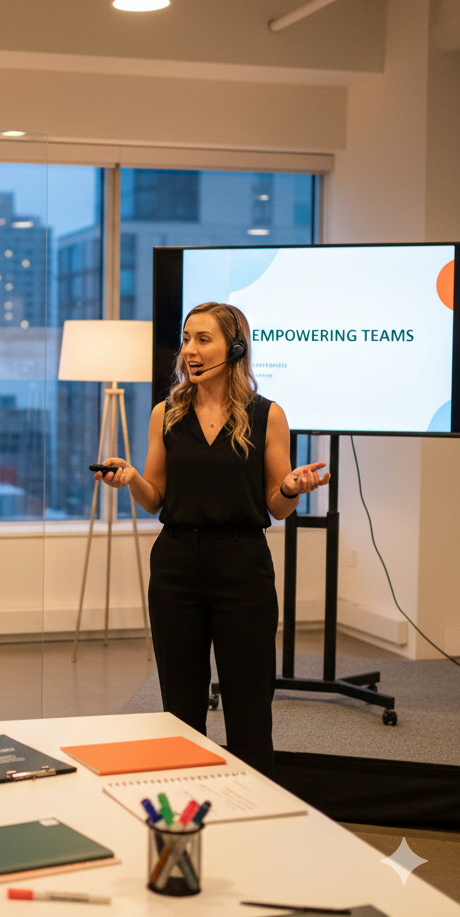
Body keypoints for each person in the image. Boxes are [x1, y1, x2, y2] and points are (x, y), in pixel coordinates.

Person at [96, 302, 329, 778]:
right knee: (179, 711)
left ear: (235, 347)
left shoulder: (268, 416)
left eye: (203, 339)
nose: (190, 351)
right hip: (176, 566)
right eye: (186, 339)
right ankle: (186, 811)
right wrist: (132, 479)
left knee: (248, 709)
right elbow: (155, 500)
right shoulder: (166, 412)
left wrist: (290, 489)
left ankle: (252, 818)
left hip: (242, 566)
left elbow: (278, 508)